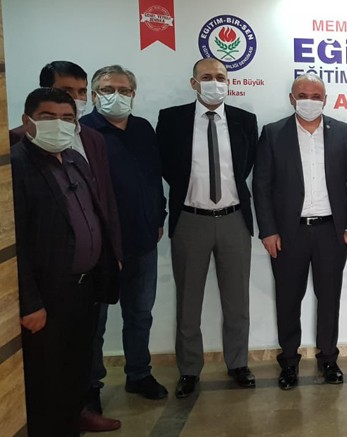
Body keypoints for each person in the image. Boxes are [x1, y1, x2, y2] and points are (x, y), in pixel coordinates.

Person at [10, 60, 124, 430]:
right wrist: (30, 302)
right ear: (28, 121)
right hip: (48, 292)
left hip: (83, 285)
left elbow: (99, 210)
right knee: (47, 372)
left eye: (66, 117)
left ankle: (75, 418)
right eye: (48, 116)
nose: (58, 124)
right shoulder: (16, 165)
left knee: (77, 362)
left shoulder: (75, 159)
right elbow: (15, 244)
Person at [253, 74, 347, 389]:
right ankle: (289, 362)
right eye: (302, 95)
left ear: (325, 100)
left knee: (329, 298)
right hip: (289, 234)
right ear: (292, 98)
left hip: (331, 231)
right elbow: (261, 186)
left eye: (316, 96)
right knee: (288, 299)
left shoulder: (342, 132)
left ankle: (328, 359)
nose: (309, 101)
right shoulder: (273, 133)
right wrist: (268, 230)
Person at [156, 58, 258, 398]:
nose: (214, 82)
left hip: (234, 219)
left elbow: (246, 166)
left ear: (228, 82)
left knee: (237, 302)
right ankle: (189, 370)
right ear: (193, 83)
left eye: (220, 77)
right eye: (206, 77)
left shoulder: (245, 120)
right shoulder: (171, 119)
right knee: (188, 303)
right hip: (190, 220)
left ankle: (238, 363)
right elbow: (167, 166)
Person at [80, 65, 169, 405]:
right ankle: (91, 386)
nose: (115, 95)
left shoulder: (143, 129)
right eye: (107, 89)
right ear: (93, 95)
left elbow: (154, 177)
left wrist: (158, 217)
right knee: (95, 322)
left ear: (133, 94)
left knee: (140, 314)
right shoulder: (83, 131)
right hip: (101, 246)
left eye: (124, 90)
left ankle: (139, 374)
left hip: (142, 239)